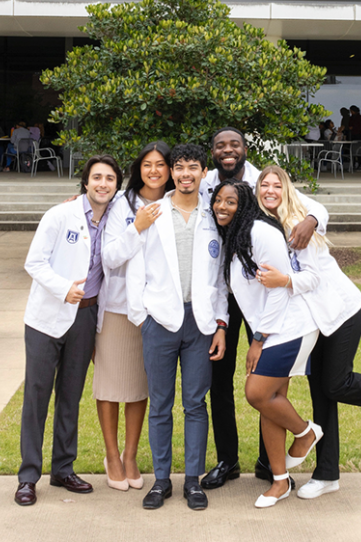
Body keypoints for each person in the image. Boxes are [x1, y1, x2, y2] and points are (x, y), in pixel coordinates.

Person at [255, 165, 361, 499]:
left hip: (341, 312)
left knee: (334, 384)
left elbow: (313, 273)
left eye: (277, 185)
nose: (270, 190)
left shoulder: (297, 224)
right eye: (264, 185)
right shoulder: (265, 224)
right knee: (322, 393)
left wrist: (284, 279)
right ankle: (327, 474)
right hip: (314, 321)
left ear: (286, 190)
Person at [198, 127, 328, 491]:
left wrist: (310, 221)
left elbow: (312, 205)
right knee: (220, 378)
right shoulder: (207, 183)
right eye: (220, 146)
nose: (228, 151)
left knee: (266, 383)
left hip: (265, 292)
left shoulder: (261, 180)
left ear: (244, 148)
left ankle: (266, 461)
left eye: (234, 144)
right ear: (213, 152)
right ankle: (227, 459)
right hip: (228, 293)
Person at [123, 143, 228, 511]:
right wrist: (143, 316)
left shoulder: (213, 214)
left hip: (199, 324)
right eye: (179, 167)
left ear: (203, 172)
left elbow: (220, 278)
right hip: (161, 321)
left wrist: (220, 324)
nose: (185, 174)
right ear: (172, 172)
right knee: (160, 405)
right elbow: (134, 267)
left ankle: (193, 482)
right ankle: (162, 481)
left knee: (196, 404)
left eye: (192, 167)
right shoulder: (153, 213)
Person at [14, 155, 123, 507]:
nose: (103, 184)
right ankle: (28, 476)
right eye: (97, 178)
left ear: (116, 186)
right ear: (85, 182)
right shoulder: (60, 215)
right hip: (47, 317)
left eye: (110, 179)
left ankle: (63, 468)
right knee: (37, 397)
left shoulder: (114, 219)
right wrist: (64, 289)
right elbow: (34, 262)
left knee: (70, 396)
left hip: (86, 318)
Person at [211, 179, 321, 509]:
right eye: (218, 200)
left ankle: (306, 433)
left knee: (256, 393)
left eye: (230, 202)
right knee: (271, 401)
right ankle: (279, 481)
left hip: (289, 327)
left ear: (243, 204)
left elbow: (279, 289)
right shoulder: (234, 238)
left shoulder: (261, 233)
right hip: (273, 329)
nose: (222, 206)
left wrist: (258, 339)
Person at [95, 142, 175, 491]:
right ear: (138, 169)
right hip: (117, 307)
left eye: (160, 164)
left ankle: (130, 455)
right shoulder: (121, 206)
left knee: (141, 387)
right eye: (147, 164)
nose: (154, 170)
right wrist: (136, 226)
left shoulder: (176, 203)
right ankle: (111, 454)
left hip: (155, 310)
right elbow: (109, 256)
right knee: (111, 386)